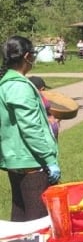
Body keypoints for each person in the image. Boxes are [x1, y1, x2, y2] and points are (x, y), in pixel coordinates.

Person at [0, 36, 61, 221]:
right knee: (38, 219)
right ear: (27, 56)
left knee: (20, 216)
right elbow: (31, 128)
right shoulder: (20, 86)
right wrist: (49, 159)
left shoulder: (5, 83)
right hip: (32, 162)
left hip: (16, 160)